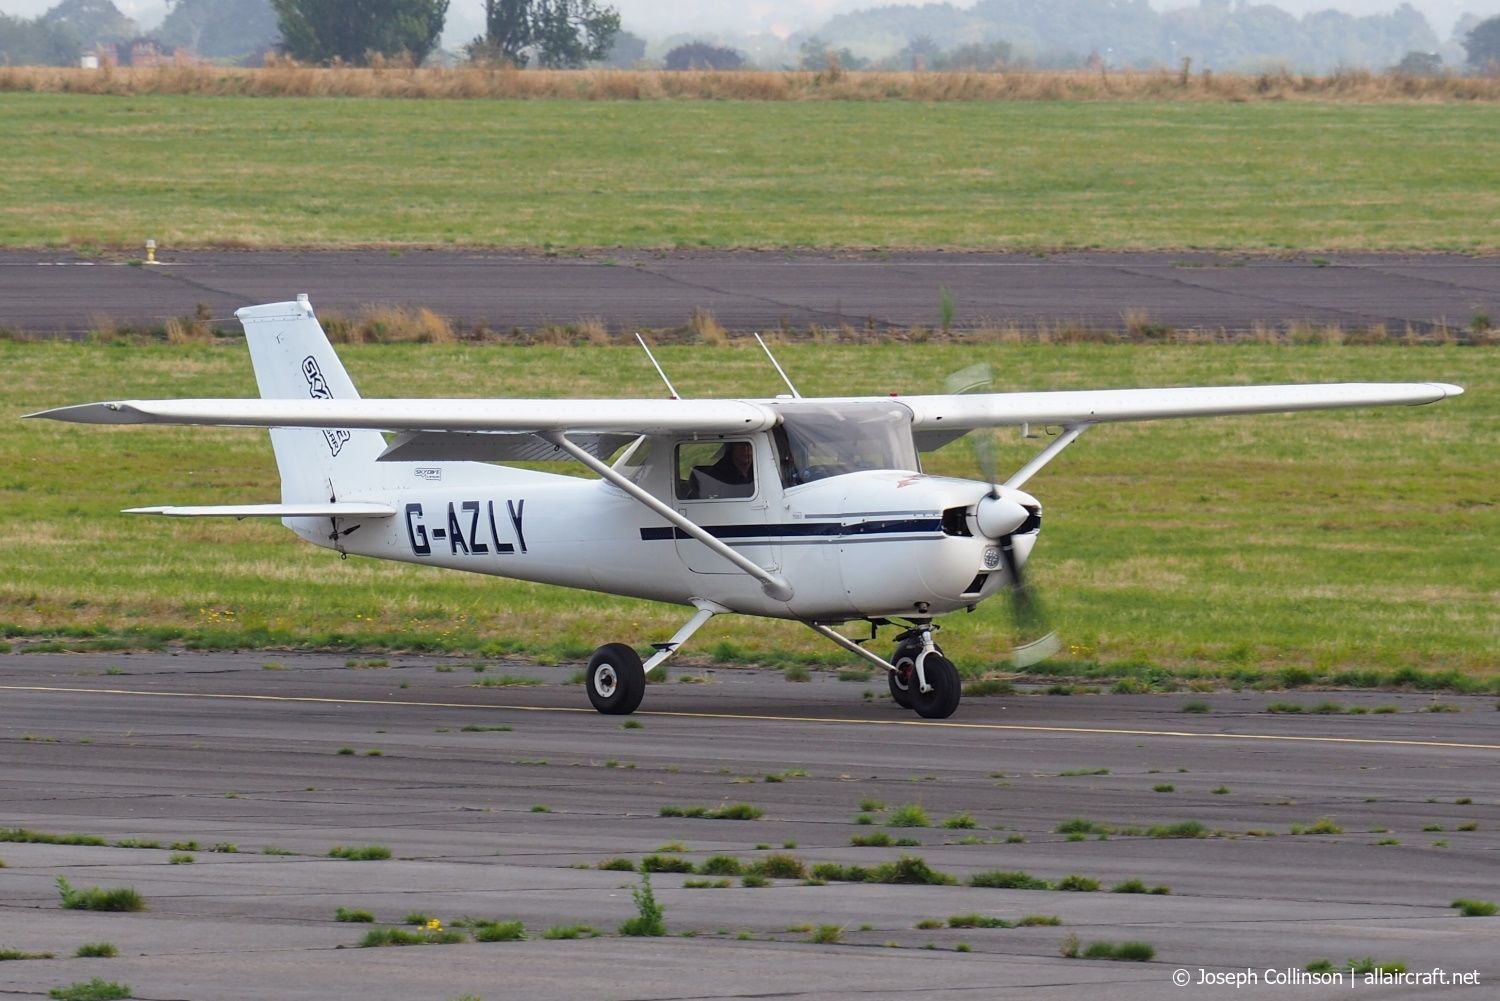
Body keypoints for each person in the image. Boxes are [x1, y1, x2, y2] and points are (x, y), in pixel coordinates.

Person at [686, 441, 754, 499]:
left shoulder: (761, 470)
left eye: (748, 444)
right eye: (740, 444)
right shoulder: (716, 475)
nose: (745, 449)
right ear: (732, 447)